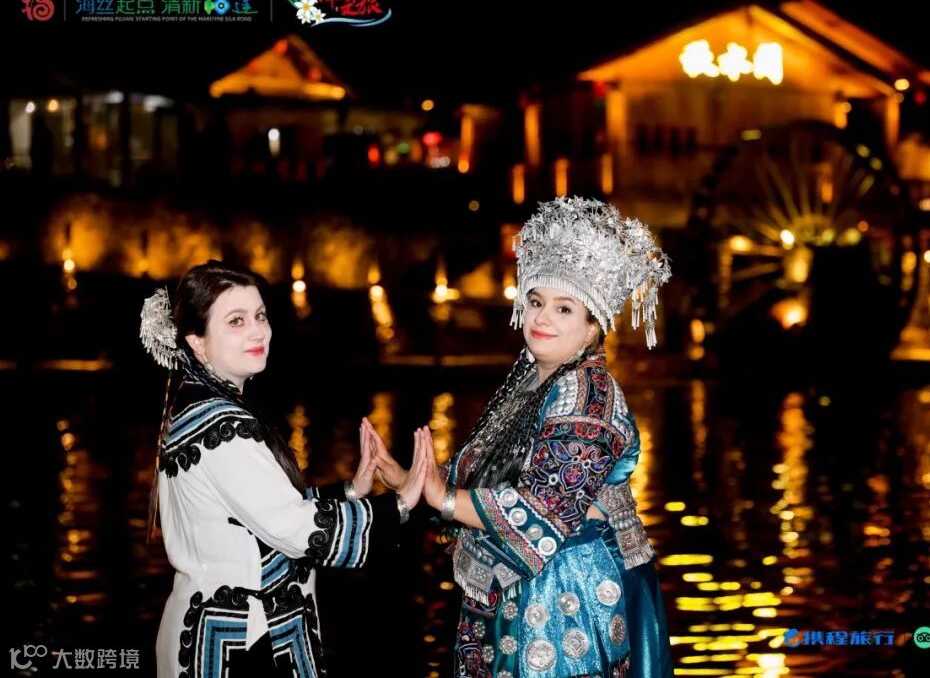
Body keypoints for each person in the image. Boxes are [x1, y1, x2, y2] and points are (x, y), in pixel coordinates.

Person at [372, 196, 675, 677]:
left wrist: (441, 497)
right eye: (536, 302)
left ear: (592, 328)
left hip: (567, 591)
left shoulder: (589, 397)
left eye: (563, 308)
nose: (541, 318)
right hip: (519, 582)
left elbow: (543, 510)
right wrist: (409, 478)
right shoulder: (532, 381)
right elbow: (483, 474)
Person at [139, 260, 431, 677]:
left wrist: (351, 491)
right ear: (197, 342)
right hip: (241, 642)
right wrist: (399, 505)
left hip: (211, 630)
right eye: (236, 321)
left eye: (260, 316)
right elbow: (292, 527)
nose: (258, 331)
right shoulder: (222, 427)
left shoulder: (198, 408)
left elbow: (256, 513)